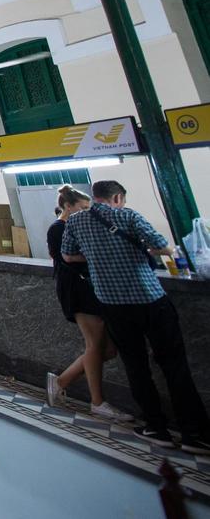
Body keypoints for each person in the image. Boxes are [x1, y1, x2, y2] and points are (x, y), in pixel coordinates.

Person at [61, 180, 208, 450]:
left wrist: (97, 256)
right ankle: (194, 434)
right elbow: (164, 246)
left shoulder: (76, 222)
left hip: (112, 304)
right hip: (149, 299)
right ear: (117, 198)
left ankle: (156, 428)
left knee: (136, 367)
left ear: (95, 197)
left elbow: (68, 256)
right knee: (174, 365)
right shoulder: (128, 216)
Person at [46, 186, 130, 421]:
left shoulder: (77, 226)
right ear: (68, 207)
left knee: (108, 349)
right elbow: (66, 257)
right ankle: (97, 402)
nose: (86, 212)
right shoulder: (58, 228)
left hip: (92, 288)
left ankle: (61, 381)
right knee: (94, 344)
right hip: (77, 289)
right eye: (82, 208)